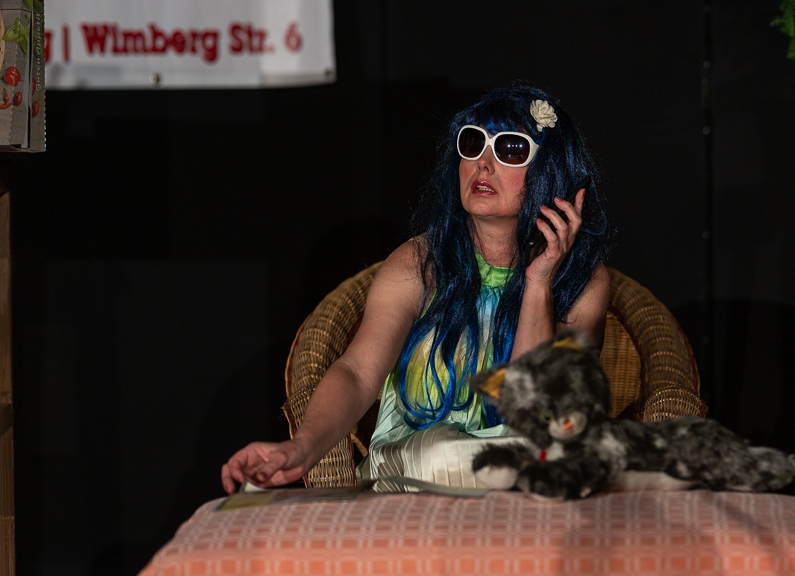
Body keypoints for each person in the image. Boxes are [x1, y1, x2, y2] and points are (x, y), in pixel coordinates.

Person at [221, 85, 615, 493]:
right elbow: (357, 372)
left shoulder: (584, 281)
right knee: (441, 456)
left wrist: (539, 283)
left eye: (510, 149)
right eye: (473, 143)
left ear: (550, 171)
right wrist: (301, 448)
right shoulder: (419, 263)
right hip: (416, 472)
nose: (482, 163)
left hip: (522, 468)